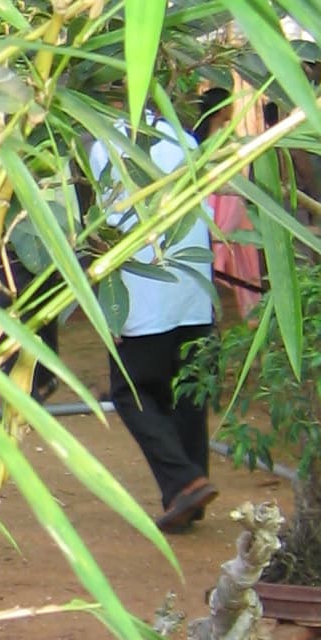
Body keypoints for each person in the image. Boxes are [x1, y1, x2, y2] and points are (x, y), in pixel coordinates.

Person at [93, 113, 218, 534]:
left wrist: (105, 308)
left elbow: (98, 231)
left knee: (132, 392)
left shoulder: (103, 148)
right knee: (188, 395)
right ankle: (190, 489)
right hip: (194, 291)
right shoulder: (185, 139)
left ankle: (184, 482)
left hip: (143, 295)